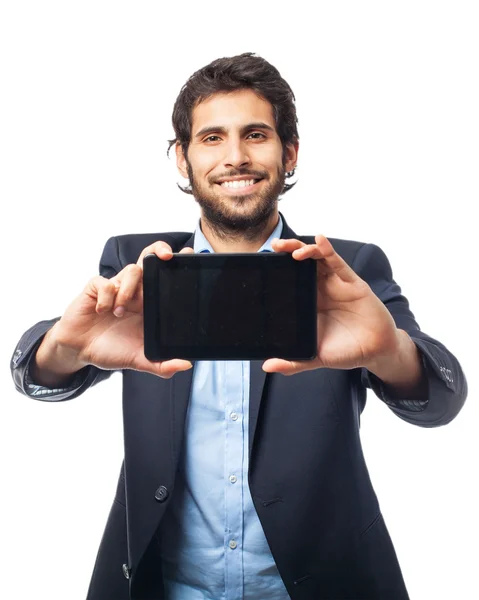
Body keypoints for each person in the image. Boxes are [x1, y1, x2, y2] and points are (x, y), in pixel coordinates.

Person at [10, 52, 468, 600]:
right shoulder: (137, 263)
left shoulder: (347, 269)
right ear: (181, 159)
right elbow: (38, 372)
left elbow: (442, 399)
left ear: (289, 152)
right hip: (165, 585)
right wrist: (64, 348)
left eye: (255, 134)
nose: (235, 157)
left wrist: (388, 352)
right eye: (211, 139)